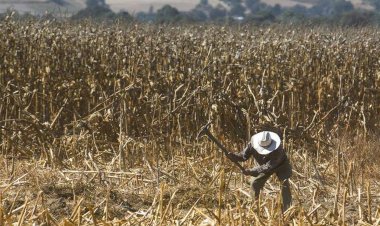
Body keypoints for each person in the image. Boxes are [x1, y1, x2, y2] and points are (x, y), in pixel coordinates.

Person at [226, 131, 292, 211]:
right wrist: (233, 156)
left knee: (284, 185)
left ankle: (287, 208)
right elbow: (243, 156)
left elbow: (268, 166)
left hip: (281, 165)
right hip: (263, 166)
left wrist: (251, 171)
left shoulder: (278, 149)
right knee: (255, 183)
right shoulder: (252, 145)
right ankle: (254, 206)